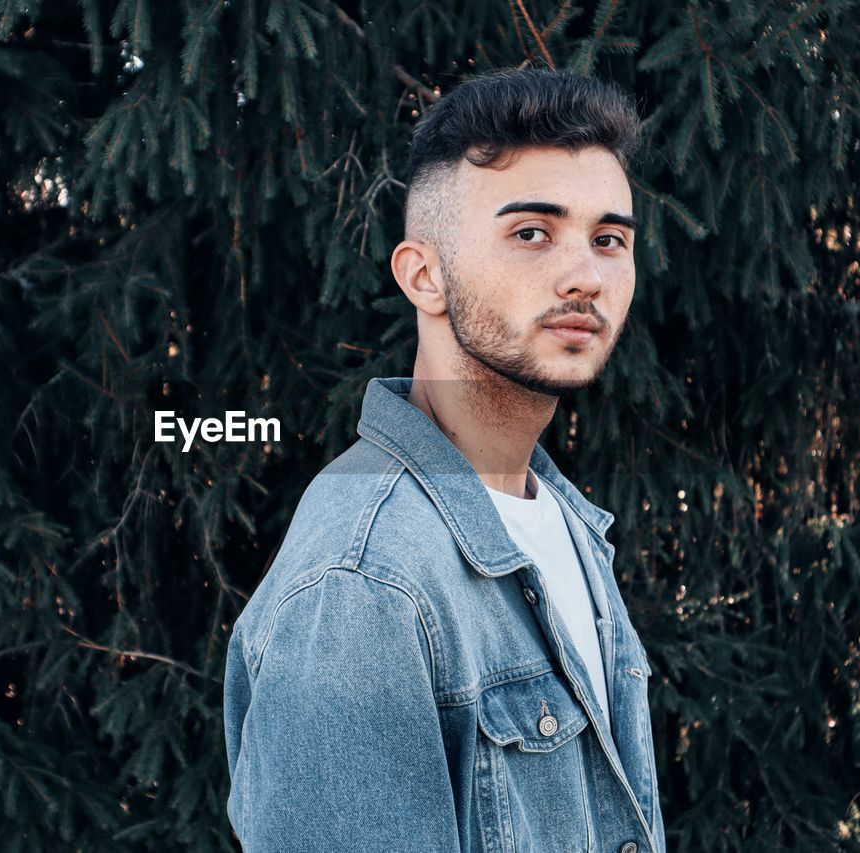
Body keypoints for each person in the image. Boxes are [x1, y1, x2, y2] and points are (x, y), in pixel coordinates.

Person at [223, 66, 665, 853]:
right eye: (532, 232)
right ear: (423, 275)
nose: (586, 275)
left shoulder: (563, 521)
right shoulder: (363, 584)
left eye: (610, 239)